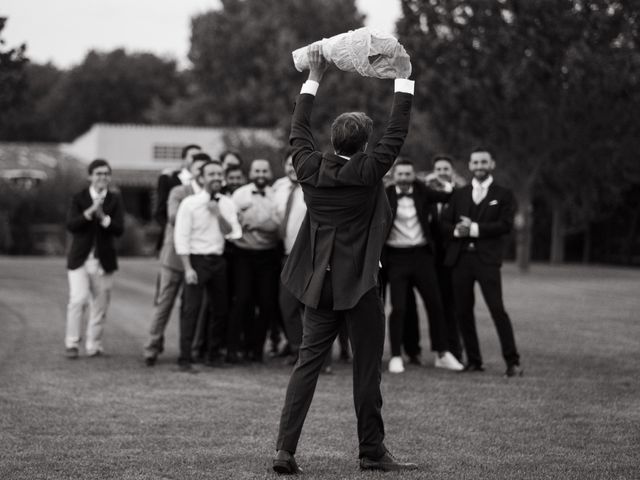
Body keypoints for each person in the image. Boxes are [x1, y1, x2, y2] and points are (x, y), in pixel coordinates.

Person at [273, 45, 418, 474]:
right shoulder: (369, 170)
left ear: (333, 142)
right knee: (366, 371)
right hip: (360, 287)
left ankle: (284, 451)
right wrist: (403, 77)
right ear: (365, 145)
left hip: (320, 284)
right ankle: (371, 451)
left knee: (306, 368)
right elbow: (398, 131)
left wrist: (314, 77)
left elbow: (298, 128)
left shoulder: (308, 167)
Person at [440, 148, 523, 377]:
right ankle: (474, 361)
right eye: (475, 162)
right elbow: (444, 225)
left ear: (491, 164)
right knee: (463, 312)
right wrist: (458, 229)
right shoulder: (460, 195)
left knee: (497, 310)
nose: (479, 166)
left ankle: (513, 361)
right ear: (470, 165)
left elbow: (506, 225)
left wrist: (474, 228)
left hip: (487, 261)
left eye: (483, 162)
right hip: (460, 260)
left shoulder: (504, 194)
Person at [384, 159, 463, 374]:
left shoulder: (421, 190)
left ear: (413, 176)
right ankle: (396, 356)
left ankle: (442, 353)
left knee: (435, 304)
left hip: (422, 256)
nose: (403, 178)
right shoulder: (385, 193)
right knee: (399, 308)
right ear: (393, 176)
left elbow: (448, 195)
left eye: (407, 174)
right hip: (396, 258)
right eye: (399, 174)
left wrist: (442, 181)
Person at [173, 160, 242, 372]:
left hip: (218, 261)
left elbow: (234, 233)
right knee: (191, 310)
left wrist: (217, 213)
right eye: (211, 174)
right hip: (195, 260)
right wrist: (187, 268)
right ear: (201, 178)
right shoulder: (190, 203)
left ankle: (213, 355)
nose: (216, 178)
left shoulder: (227, 204)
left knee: (220, 309)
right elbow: (181, 236)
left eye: (218, 174)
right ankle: (185, 358)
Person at [143, 153, 210, 366]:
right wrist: (197, 207)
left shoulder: (213, 195)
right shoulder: (179, 192)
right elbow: (172, 217)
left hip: (198, 257)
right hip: (174, 256)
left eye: (204, 169)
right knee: (165, 303)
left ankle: (187, 350)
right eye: (198, 169)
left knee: (191, 307)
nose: (201, 173)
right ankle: (151, 347)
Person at [64, 159, 124, 358]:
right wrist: (90, 212)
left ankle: (94, 345)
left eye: (106, 173)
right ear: (90, 176)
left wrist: (103, 217)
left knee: (100, 305)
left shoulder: (114, 199)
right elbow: (72, 225)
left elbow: (119, 229)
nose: (103, 177)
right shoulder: (79, 198)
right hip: (80, 258)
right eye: (98, 173)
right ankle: (72, 343)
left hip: (104, 260)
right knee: (78, 300)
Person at [228, 159, 281, 363]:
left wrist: (256, 223)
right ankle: (235, 348)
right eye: (256, 170)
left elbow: (276, 227)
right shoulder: (239, 194)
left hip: (267, 255)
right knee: (242, 301)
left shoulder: (276, 197)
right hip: (243, 255)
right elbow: (234, 221)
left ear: (269, 174)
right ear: (250, 173)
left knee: (267, 304)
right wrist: (262, 224)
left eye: (264, 170)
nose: (260, 173)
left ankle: (257, 349)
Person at [426, 154, 463, 362]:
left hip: (453, 259)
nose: (441, 172)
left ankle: (456, 350)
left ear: (451, 171)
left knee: (453, 306)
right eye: (438, 169)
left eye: (445, 169)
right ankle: (441, 351)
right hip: (431, 260)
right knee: (436, 305)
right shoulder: (427, 195)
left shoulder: (459, 195)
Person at [154, 144, 201, 252]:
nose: (197, 159)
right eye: (193, 156)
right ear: (184, 159)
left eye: (200, 156)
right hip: (174, 236)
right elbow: (160, 212)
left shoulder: (206, 182)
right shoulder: (169, 179)